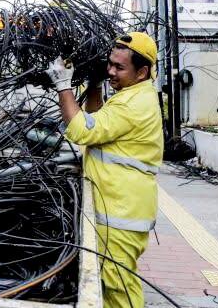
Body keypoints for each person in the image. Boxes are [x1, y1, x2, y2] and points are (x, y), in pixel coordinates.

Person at [46, 32, 163, 308]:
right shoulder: (133, 94)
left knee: (117, 286)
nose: (111, 70)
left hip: (122, 215)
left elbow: (82, 130)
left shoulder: (132, 104)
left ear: (142, 71)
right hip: (120, 209)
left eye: (119, 67)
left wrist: (64, 86)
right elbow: (99, 122)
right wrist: (96, 84)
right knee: (111, 283)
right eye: (109, 64)